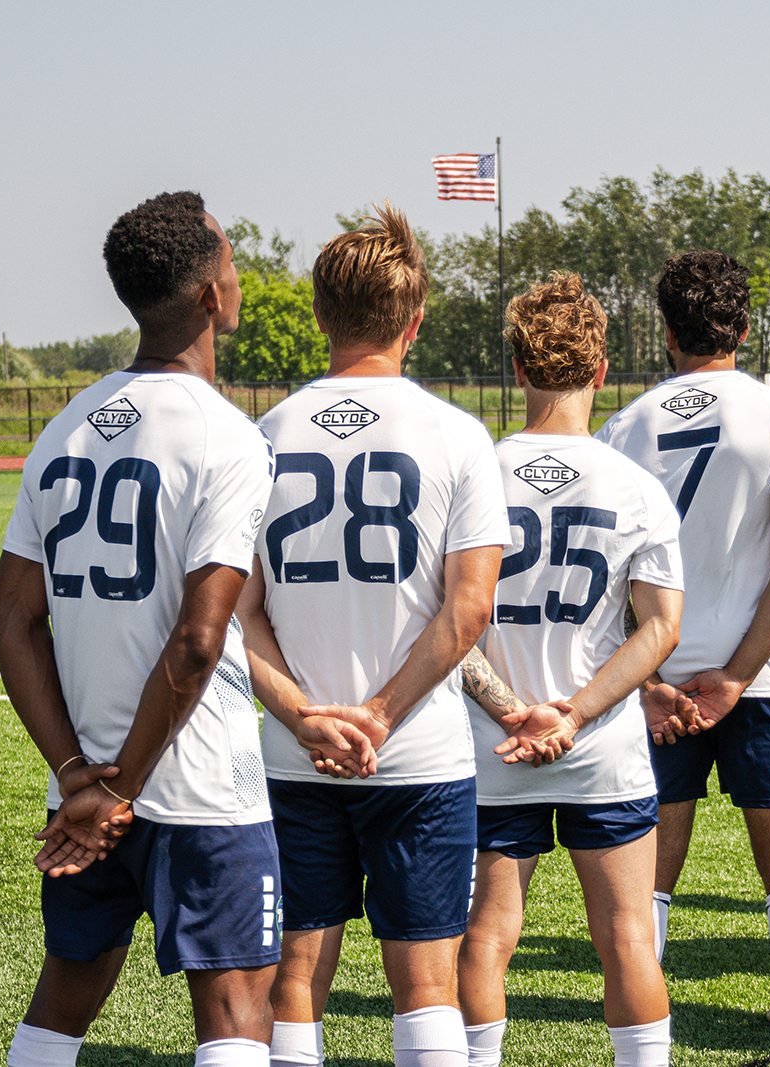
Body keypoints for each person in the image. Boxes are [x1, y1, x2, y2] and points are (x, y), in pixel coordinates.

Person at [0, 192, 290, 1067]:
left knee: (66, 989)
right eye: (229, 259)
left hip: (85, 787)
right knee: (236, 1004)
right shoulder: (227, 438)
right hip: (196, 781)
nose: (237, 274)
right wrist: (121, 789)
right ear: (207, 294)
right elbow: (200, 639)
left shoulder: (63, 429)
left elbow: (10, 620)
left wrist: (78, 773)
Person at [236, 203, 508, 1067]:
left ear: (319, 315)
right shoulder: (460, 437)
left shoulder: (258, 440)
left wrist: (308, 716)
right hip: (418, 751)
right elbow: (468, 612)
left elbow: (233, 614)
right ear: (416, 320)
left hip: (294, 752)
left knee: (295, 978)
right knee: (426, 984)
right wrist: (381, 717)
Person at [595, 251, 770, 1062]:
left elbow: (611, 580)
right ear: (742, 326)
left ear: (665, 331)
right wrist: (735, 675)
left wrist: (656, 682)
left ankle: (644, 1051)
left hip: (655, 686)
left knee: (645, 885)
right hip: (762, 680)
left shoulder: (622, 427)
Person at [453, 272, 683, 1067]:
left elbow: (447, 627)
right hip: (601, 747)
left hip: (491, 745)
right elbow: (661, 628)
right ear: (600, 368)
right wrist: (574, 714)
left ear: (516, 368)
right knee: (625, 936)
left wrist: (516, 711)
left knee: (485, 933)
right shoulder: (638, 487)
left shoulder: (470, 472)